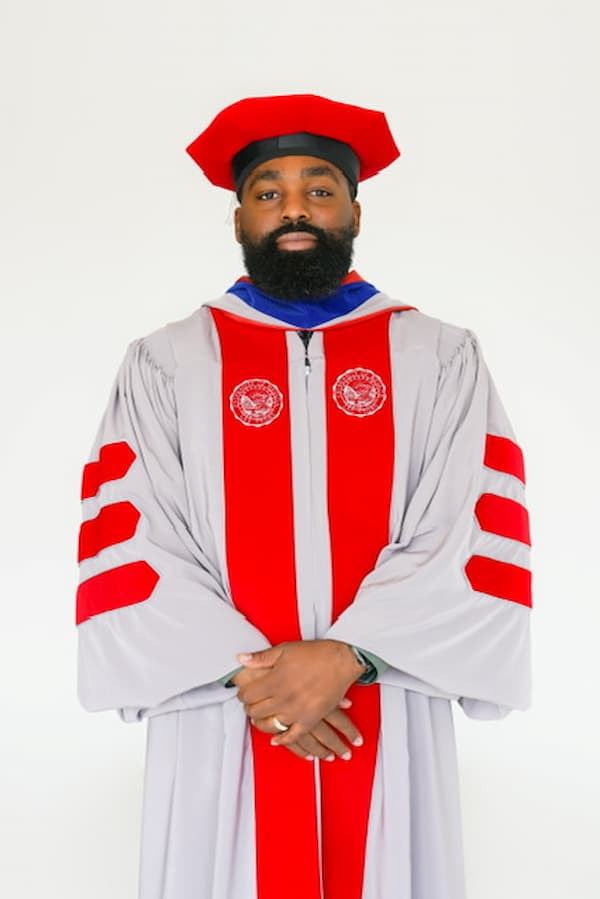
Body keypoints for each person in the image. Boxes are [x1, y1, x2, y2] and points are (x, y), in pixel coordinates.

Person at [76, 94, 532, 899]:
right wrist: (255, 678)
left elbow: (466, 521)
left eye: (319, 189)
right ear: (239, 217)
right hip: (223, 712)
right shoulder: (167, 362)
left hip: (382, 700)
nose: (294, 208)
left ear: (355, 208)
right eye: (268, 190)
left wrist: (349, 655)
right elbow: (136, 536)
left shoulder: (438, 354)